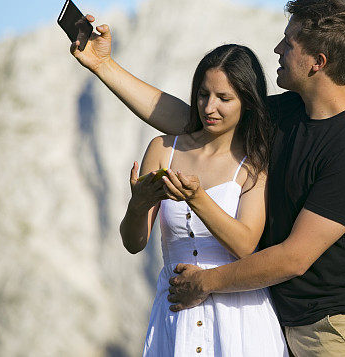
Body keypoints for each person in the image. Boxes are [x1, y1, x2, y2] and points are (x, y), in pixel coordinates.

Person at [71, 0, 345, 356]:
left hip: (341, 331)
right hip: (285, 321)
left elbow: (293, 258)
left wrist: (205, 282)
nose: (277, 49)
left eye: (288, 44)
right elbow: (191, 122)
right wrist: (103, 66)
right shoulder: (287, 113)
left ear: (318, 62)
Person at [119, 44, 288, 356]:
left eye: (224, 99)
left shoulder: (255, 163)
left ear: (247, 103)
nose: (209, 107)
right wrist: (138, 203)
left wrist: (196, 198)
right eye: (202, 94)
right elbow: (134, 243)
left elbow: (245, 244)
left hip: (239, 316)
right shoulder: (163, 148)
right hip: (175, 311)